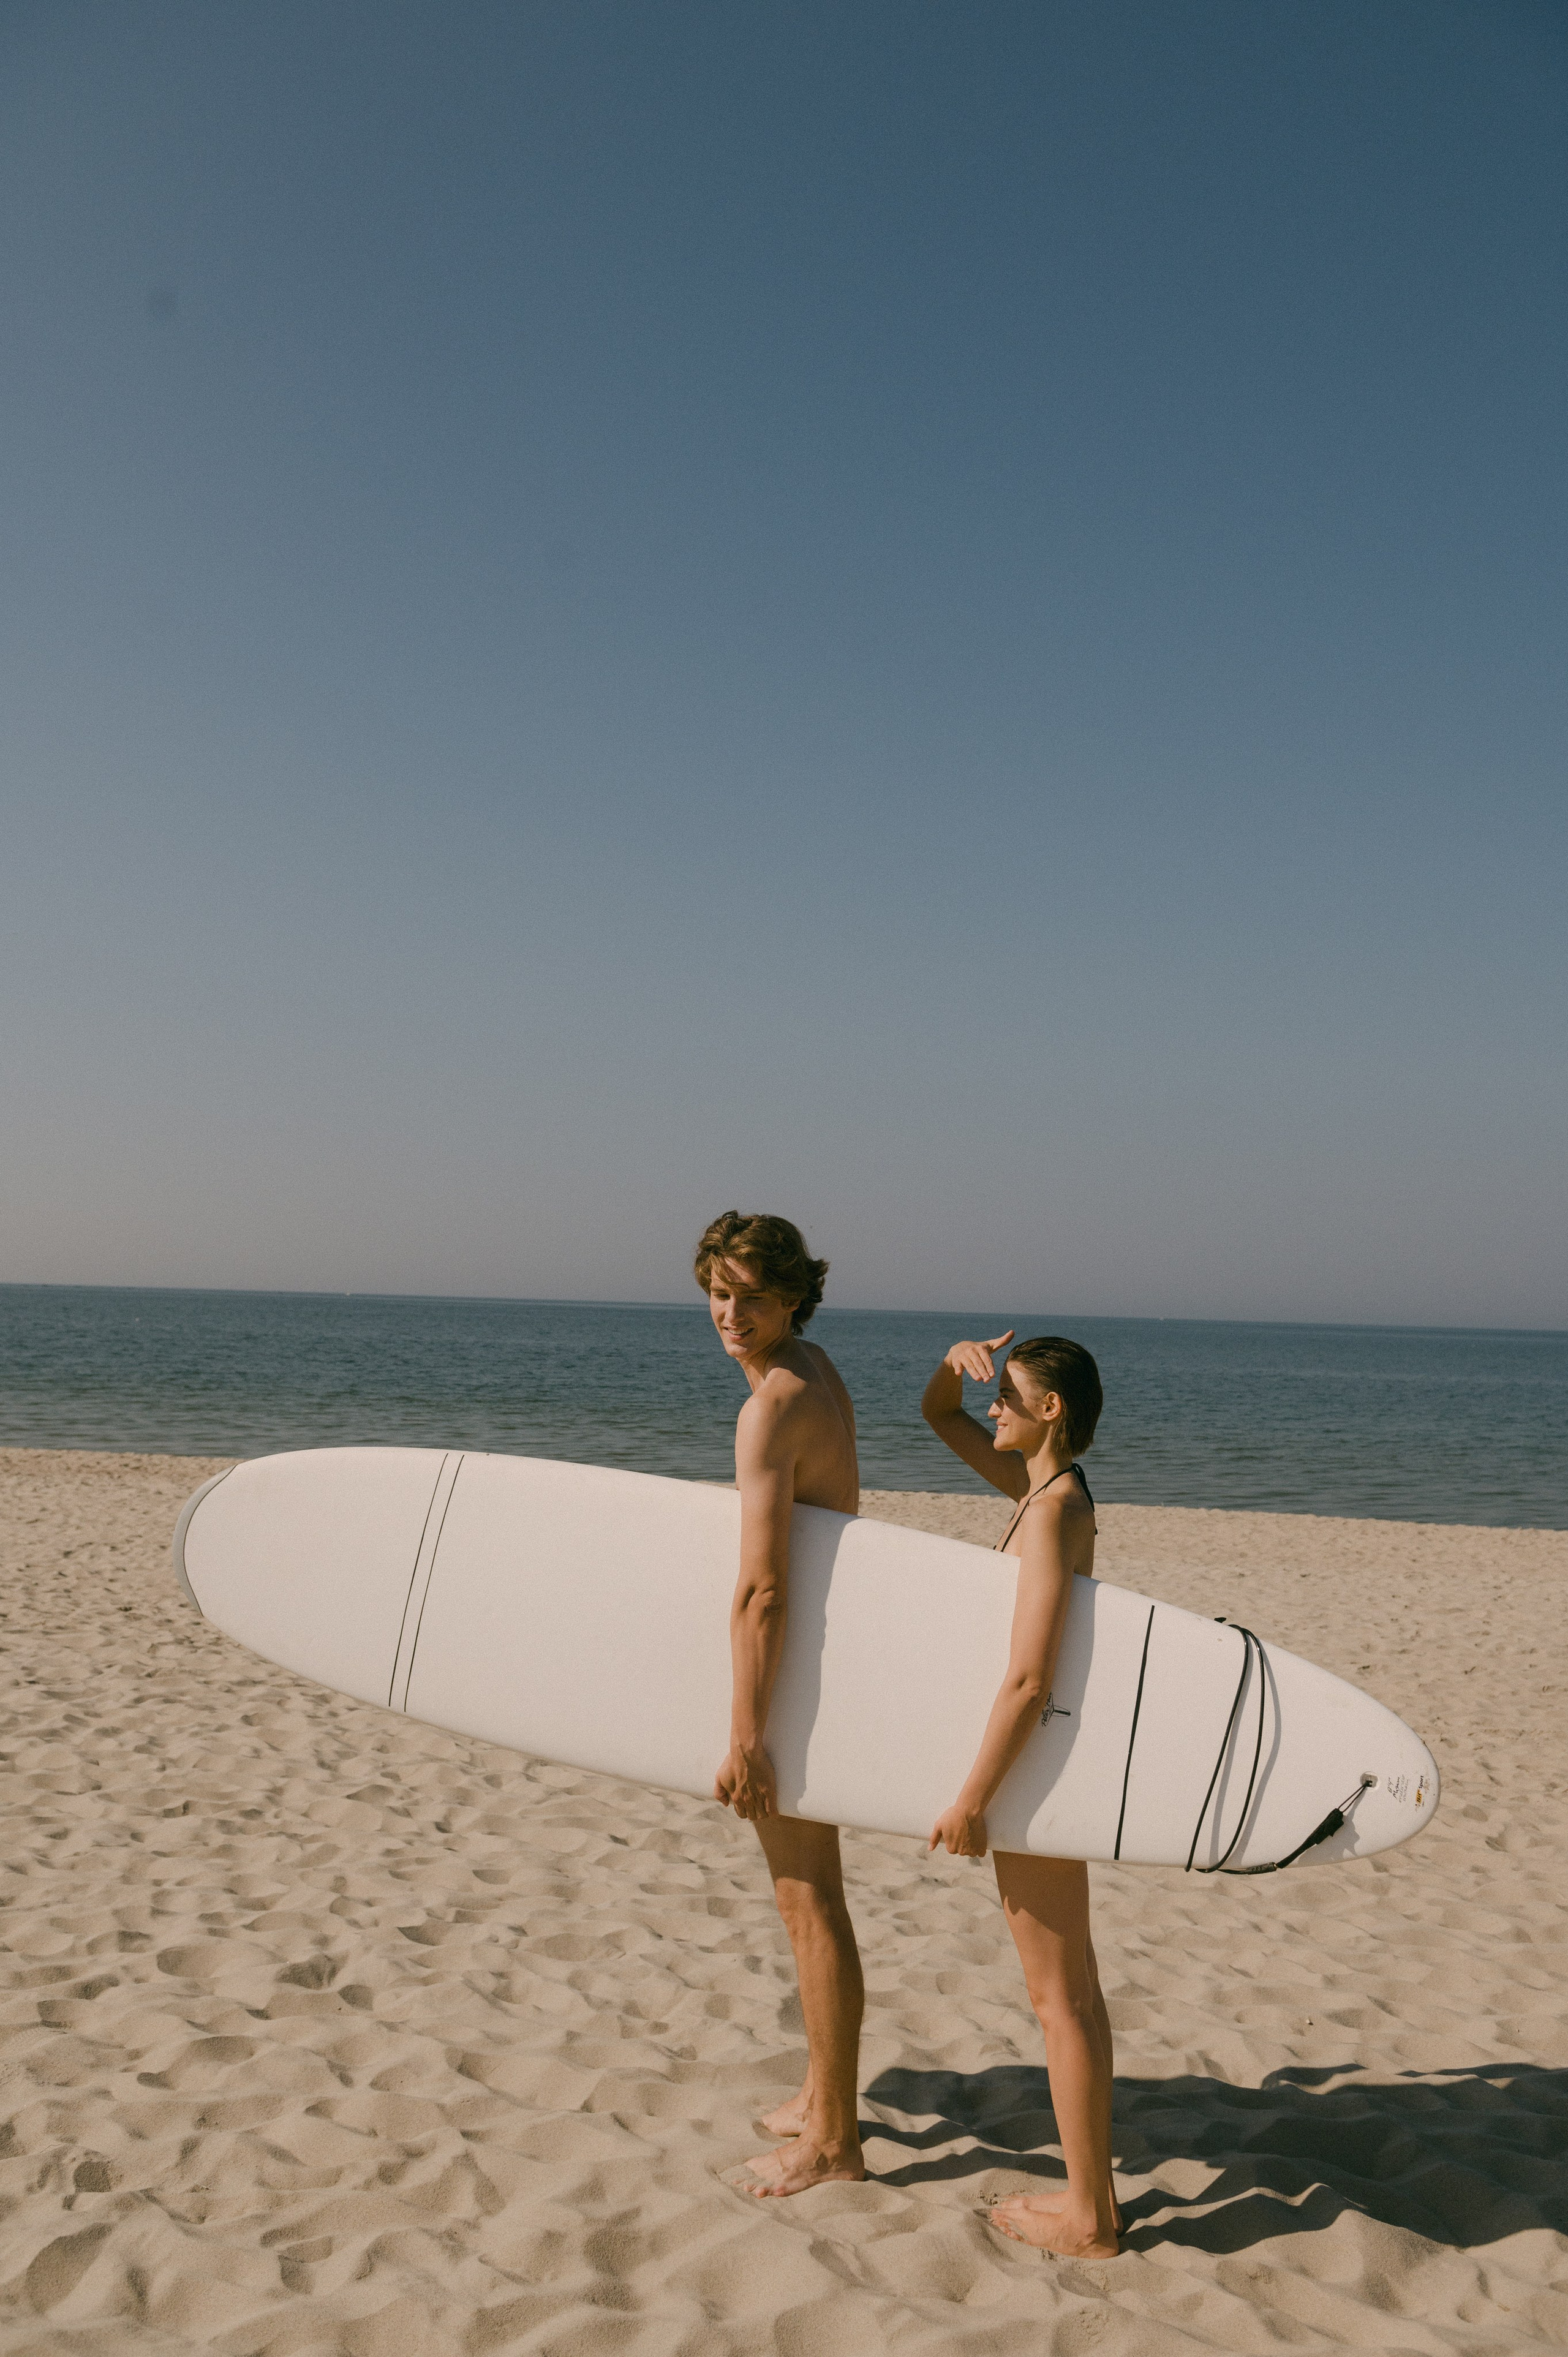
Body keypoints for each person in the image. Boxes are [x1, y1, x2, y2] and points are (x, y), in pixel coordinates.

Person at [921, 1329, 1121, 2257]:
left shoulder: (1050, 1511)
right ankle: (1094, 2202)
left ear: (1052, 1411)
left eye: (1009, 1394)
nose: (991, 1405)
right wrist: (949, 1363)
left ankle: (1089, 2217)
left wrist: (971, 1798)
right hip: (1046, 1765)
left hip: (1031, 1772)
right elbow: (937, 1415)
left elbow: (1030, 1680)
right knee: (1073, 1994)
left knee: (1060, 2002)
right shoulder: (1042, 1490)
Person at [697, 1209, 865, 2197]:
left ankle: (835, 2141)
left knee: (808, 1902)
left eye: (753, 1297)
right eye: (720, 1294)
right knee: (808, 1896)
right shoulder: (815, 1367)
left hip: (795, 1670)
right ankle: (819, 2093)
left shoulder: (770, 1405)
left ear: (795, 1294)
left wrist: (747, 1735)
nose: (732, 1314)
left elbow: (763, 1587)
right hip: (825, 1652)